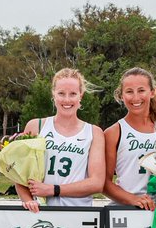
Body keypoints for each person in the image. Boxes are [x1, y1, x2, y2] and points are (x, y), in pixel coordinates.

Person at [16, 68, 105, 213]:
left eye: (73, 94)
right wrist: (28, 200)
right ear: (53, 94)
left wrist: (53, 190)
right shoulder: (36, 126)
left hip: (79, 214)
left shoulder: (94, 132)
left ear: (81, 96)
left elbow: (97, 183)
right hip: (41, 212)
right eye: (61, 93)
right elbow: (19, 174)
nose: (67, 100)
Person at [103, 68, 156, 210]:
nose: (135, 97)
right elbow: (104, 183)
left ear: (152, 92)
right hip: (127, 210)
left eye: (141, 90)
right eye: (129, 91)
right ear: (121, 95)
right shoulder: (113, 132)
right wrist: (133, 199)